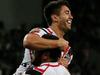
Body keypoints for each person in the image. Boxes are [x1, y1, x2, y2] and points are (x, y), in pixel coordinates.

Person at [13, 0, 73, 75]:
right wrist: (58, 43)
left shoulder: (68, 50)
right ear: (55, 18)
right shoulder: (41, 32)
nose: (71, 17)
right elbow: (27, 41)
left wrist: (62, 67)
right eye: (67, 13)